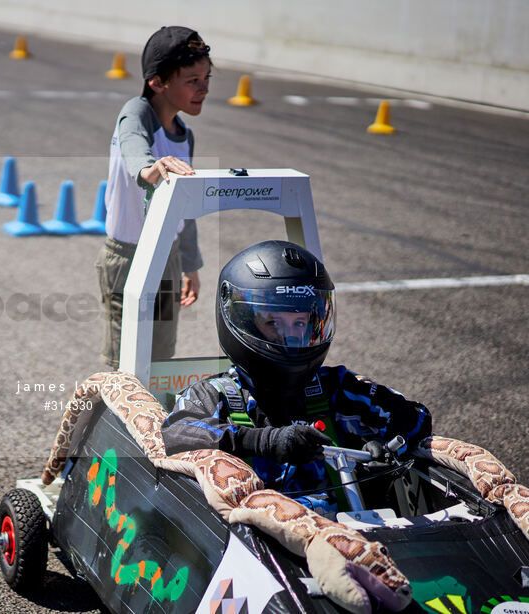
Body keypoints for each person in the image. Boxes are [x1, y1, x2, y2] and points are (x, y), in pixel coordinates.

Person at [161, 240, 433, 514]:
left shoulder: (336, 387)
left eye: (299, 323)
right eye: (273, 323)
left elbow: (414, 414)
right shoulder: (214, 394)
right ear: (241, 320)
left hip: (348, 533)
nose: (289, 337)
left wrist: (388, 447)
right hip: (257, 540)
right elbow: (176, 432)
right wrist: (265, 441)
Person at [97, 26, 211, 369]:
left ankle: (152, 423)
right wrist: (148, 168)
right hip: (128, 259)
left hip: (168, 258)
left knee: (159, 360)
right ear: (158, 82)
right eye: (192, 80)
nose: (203, 88)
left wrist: (190, 263)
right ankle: (112, 422)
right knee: (124, 365)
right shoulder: (136, 112)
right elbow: (133, 141)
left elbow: (185, 206)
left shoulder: (184, 136)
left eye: (206, 78)